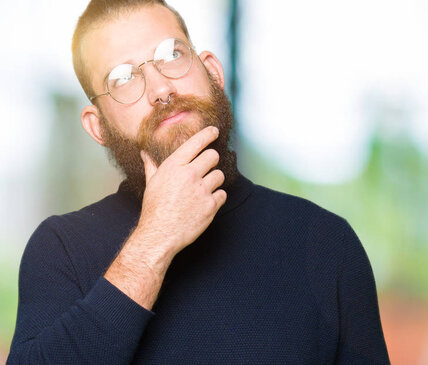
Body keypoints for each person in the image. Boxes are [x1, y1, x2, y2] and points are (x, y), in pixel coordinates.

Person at [8, 0, 390, 363]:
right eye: (122, 78)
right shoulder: (59, 249)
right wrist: (154, 240)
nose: (161, 90)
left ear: (213, 72)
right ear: (98, 128)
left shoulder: (326, 243)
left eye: (172, 55)